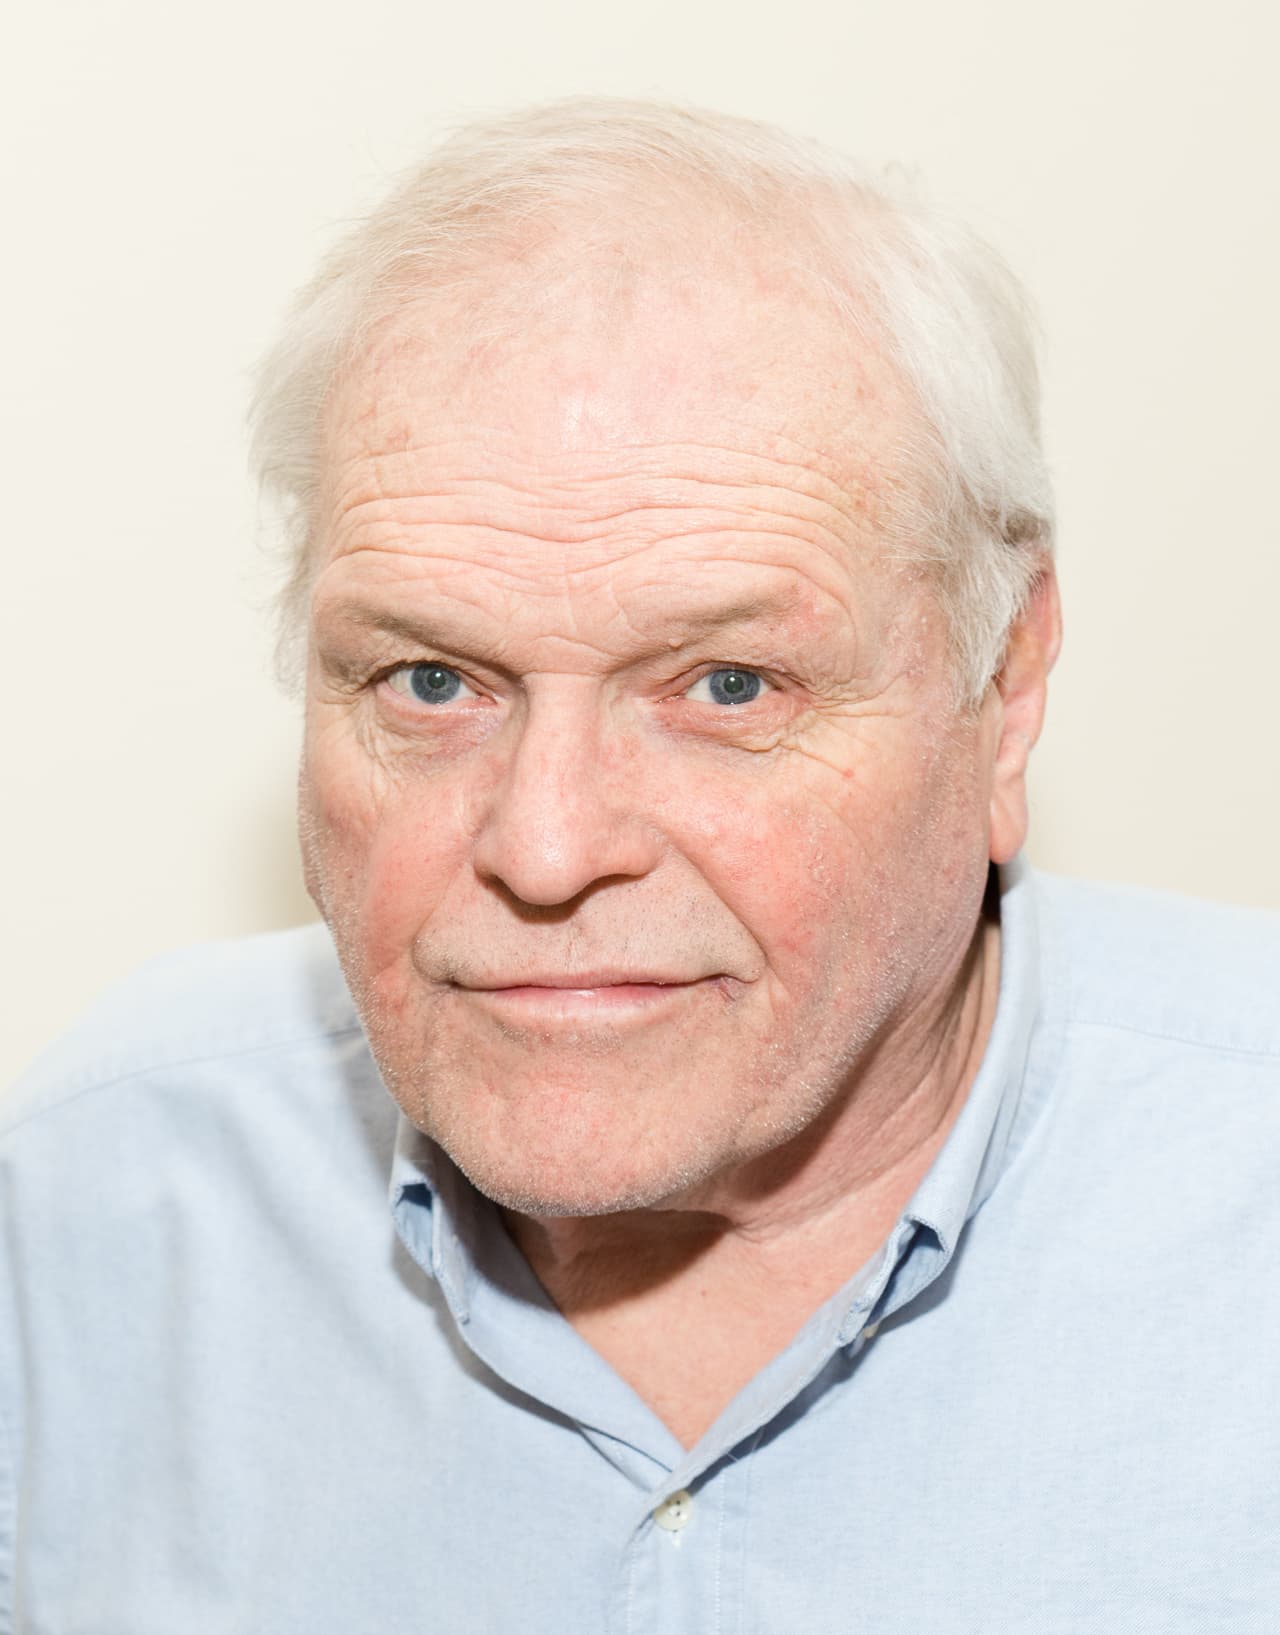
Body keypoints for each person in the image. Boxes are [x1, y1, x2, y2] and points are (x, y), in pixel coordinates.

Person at [2, 98, 1277, 1633]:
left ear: (1003, 690)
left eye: (728, 687)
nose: (544, 848)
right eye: (429, 681)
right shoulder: (92, 1207)